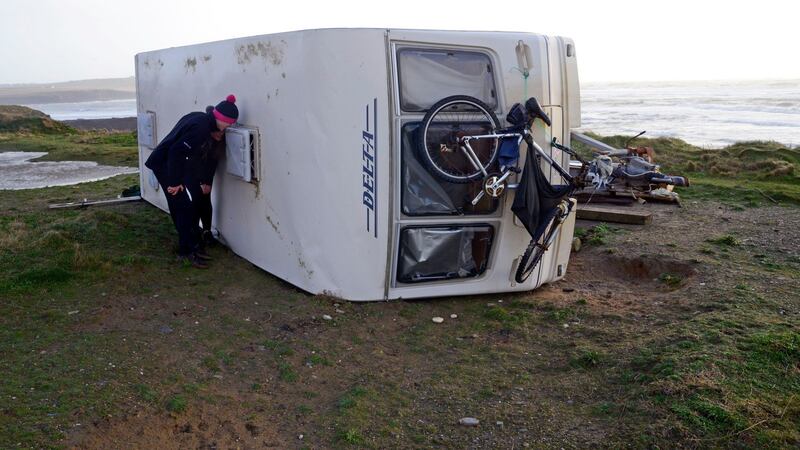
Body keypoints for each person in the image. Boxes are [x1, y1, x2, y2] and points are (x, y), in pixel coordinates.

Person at [145, 94, 239, 268]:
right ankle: (186, 252)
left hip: (170, 163)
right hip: (165, 164)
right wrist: (174, 182)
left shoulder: (199, 117)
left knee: (184, 208)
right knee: (183, 209)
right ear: (222, 119)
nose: (229, 127)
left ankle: (191, 248)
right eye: (229, 123)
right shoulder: (201, 129)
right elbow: (175, 151)